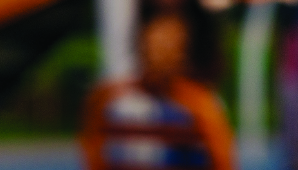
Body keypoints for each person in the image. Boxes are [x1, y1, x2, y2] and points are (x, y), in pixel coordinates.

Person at [80, 16, 235, 170]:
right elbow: (93, 150)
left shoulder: (200, 104)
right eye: (154, 47)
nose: (159, 56)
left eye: (167, 48)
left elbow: (220, 158)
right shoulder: (108, 98)